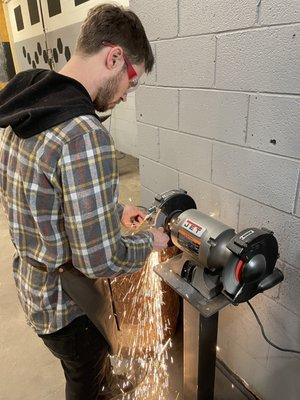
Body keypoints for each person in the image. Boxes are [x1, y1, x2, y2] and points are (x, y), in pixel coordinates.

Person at [0, 4, 169, 400]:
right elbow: (99, 259)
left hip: (32, 286)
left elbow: (41, 196)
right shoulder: (82, 133)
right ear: (114, 57)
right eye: (132, 81)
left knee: (83, 369)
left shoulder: (28, 103)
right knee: (85, 379)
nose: (126, 96)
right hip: (68, 306)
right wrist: (151, 244)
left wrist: (112, 210)